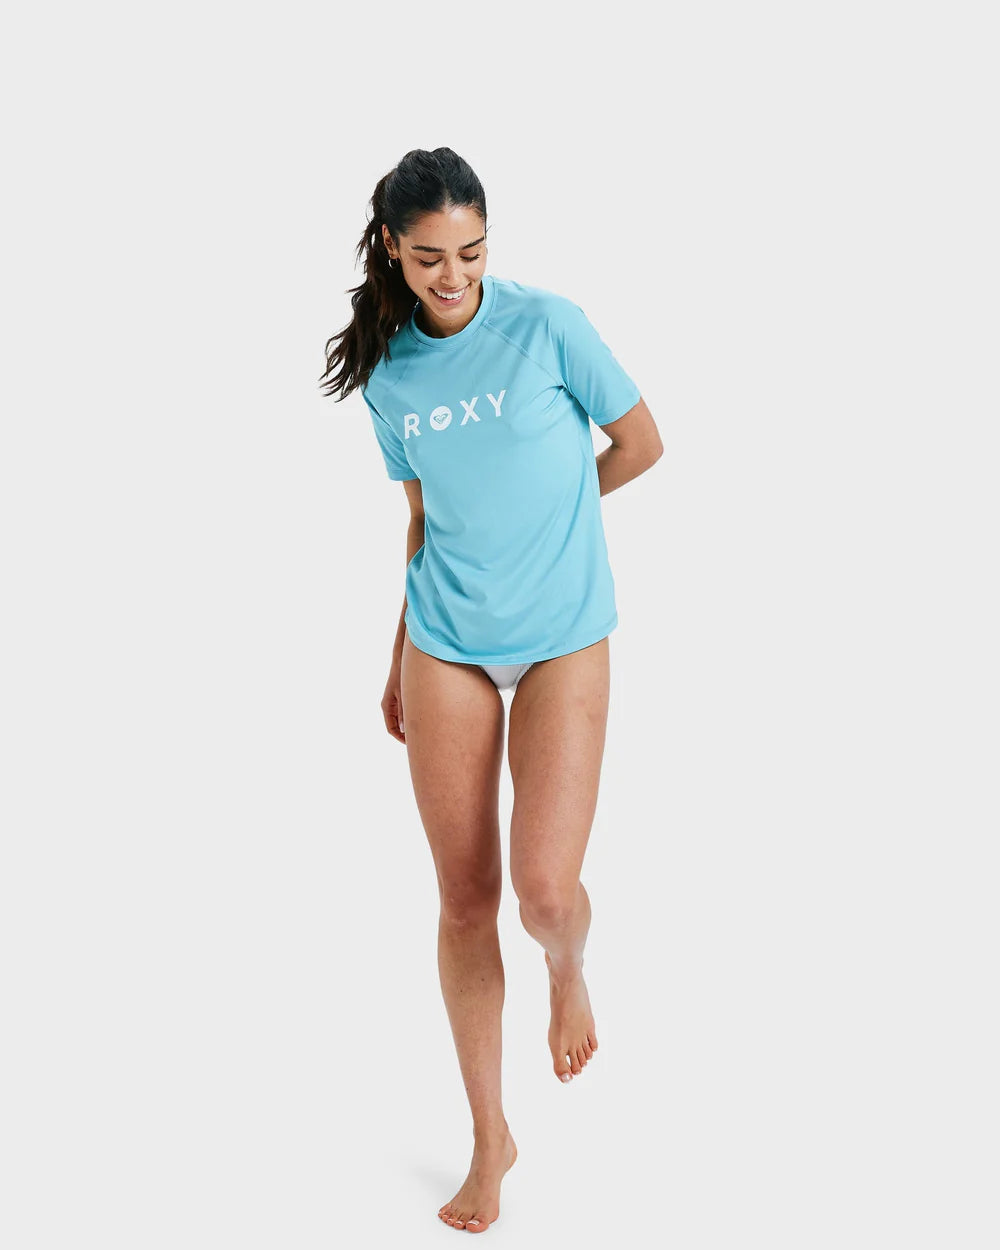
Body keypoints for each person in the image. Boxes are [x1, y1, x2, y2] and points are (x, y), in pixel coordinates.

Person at [319, 147, 663, 1233]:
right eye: (429, 256)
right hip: (447, 642)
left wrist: (561, 511)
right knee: (465, 900)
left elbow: (641, 443)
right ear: (392, 249)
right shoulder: (388, 374)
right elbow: (422, 517)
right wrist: (396, 653)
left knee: (544, 893)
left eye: (470, 251)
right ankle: (489, 1138)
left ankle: (569, 969)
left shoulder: (549, 325)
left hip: (562, 634)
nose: (453, 274)